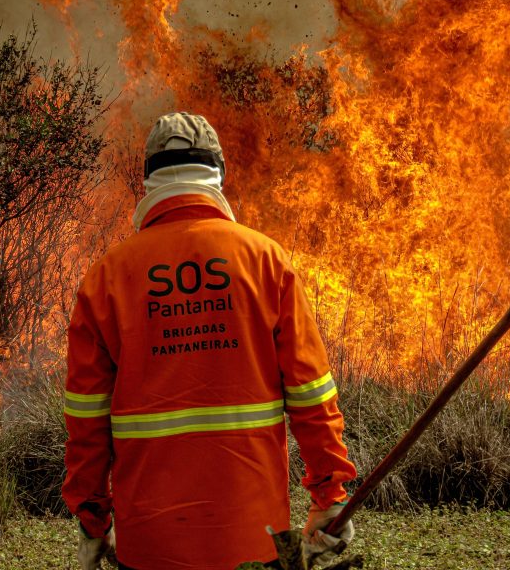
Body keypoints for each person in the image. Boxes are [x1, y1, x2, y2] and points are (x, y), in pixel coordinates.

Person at [62, 112, 357, 570]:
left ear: (148, 182)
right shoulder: (265, 261)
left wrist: (93, 517)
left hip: (149, 543)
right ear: (218, 173)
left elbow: (86, 417)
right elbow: (311, 393)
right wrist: (330, 494)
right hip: (254, 536)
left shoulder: (107, 277)